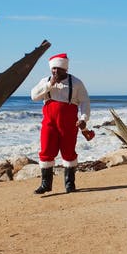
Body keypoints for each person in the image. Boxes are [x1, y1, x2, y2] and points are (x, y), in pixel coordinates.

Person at [31, 53, 91, 194]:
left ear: (66, 69)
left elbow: (85, 101)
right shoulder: (45, 81)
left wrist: (83, 118)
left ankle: (70, 184)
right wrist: (49, 84)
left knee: (68, 152)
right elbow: (34, 96)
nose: (56, 71)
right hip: (49, 123)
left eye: (59, 69)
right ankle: (46, 184)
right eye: (54, 69)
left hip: (69, 123)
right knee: (46, 150)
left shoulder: (76, 82)